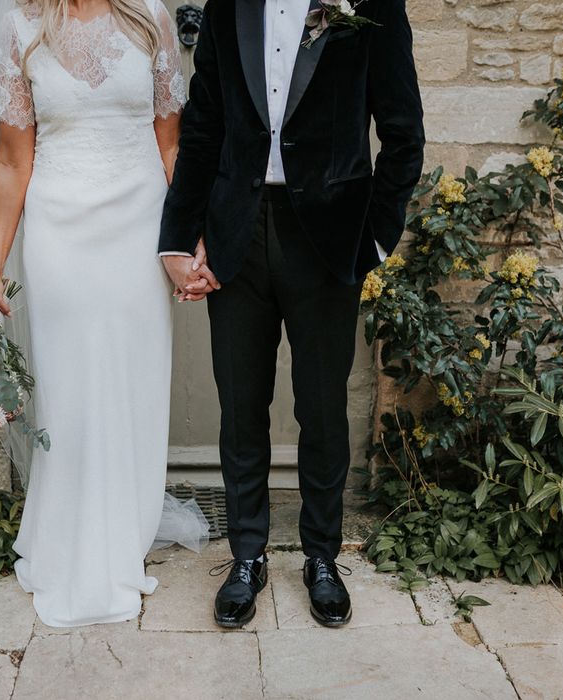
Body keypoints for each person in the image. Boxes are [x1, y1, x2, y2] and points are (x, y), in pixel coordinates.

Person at [160, 0, 425, 628]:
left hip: (330, 242)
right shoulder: (230, 5)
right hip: (237, 237)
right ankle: (246, 556)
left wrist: (378, 238)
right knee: (240, 404)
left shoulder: (372, 3)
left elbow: (403, 128)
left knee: (322, 409)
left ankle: (321, 556)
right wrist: (177, 237)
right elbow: (202, 127)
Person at [0, 0, 198, 627]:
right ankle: (70, 540)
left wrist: (188, 241)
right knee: (69, 389)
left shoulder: (151, 16)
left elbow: (170, 140)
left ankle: (123, 532)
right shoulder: (22, 25)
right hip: (58, 231)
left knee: (134, 380)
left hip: (139, 225)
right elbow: (14, 159)